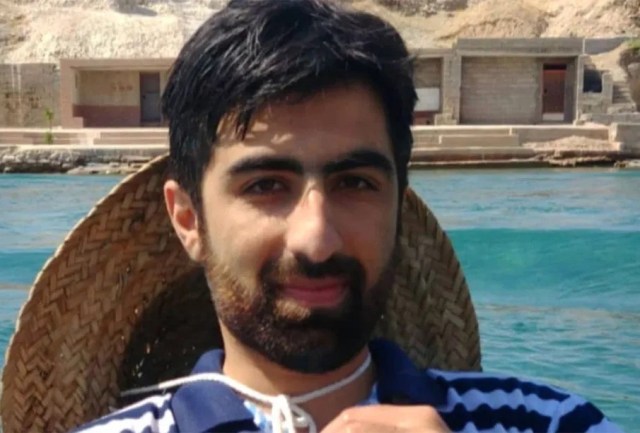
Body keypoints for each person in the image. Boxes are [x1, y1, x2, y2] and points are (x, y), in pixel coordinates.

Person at [17, 0, 622, 432]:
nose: (317, 238)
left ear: (397, 206)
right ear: (188, 220)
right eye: (265, 186)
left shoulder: (552, 422)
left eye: (355, 183)